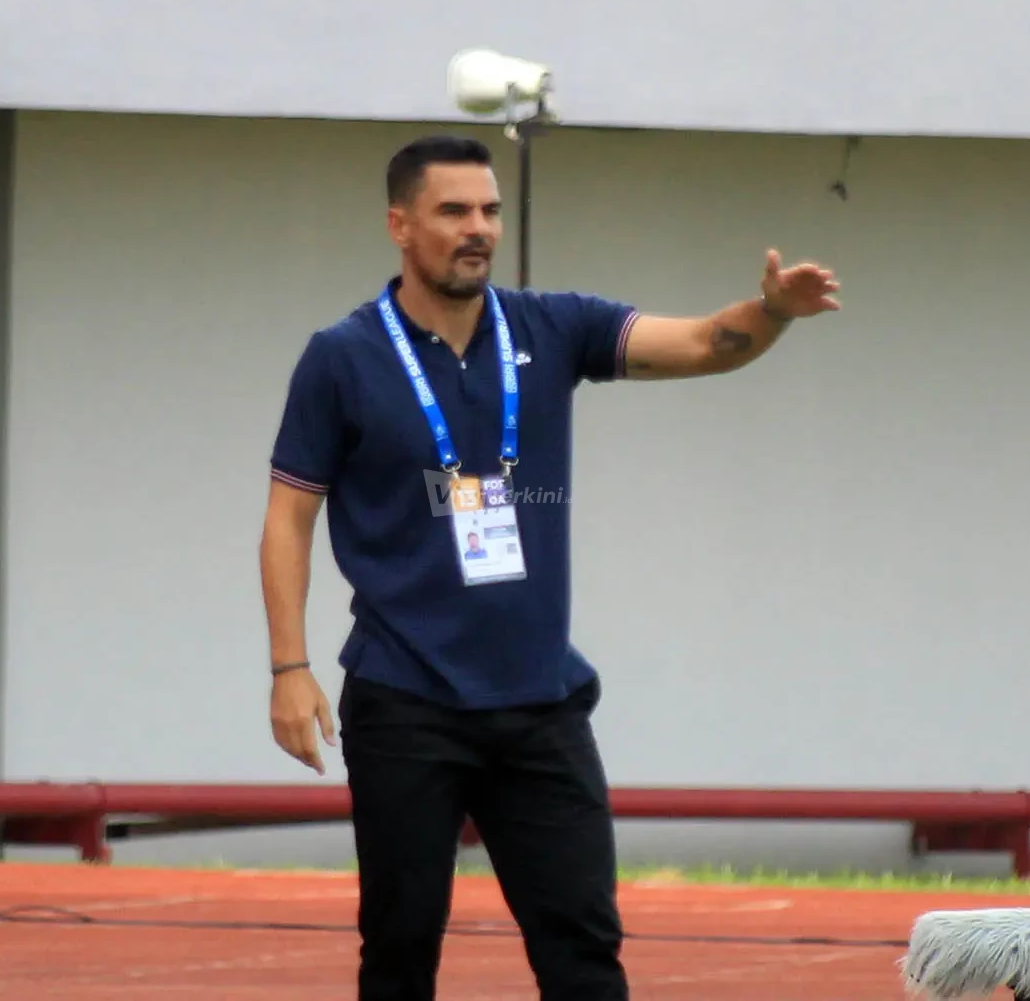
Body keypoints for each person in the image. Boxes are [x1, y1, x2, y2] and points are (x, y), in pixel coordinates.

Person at [260, 134, 840, 1000]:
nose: (478, 228)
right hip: (404, 700)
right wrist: (289, 667)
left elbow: (701, 343)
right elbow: (288, 518)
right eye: (454, 210)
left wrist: (773, 312)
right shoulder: (343, 356)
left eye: (490, 210)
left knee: (583, 950)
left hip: (539, 705)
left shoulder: (553, 327)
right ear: (400, 225)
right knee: (400, 948)